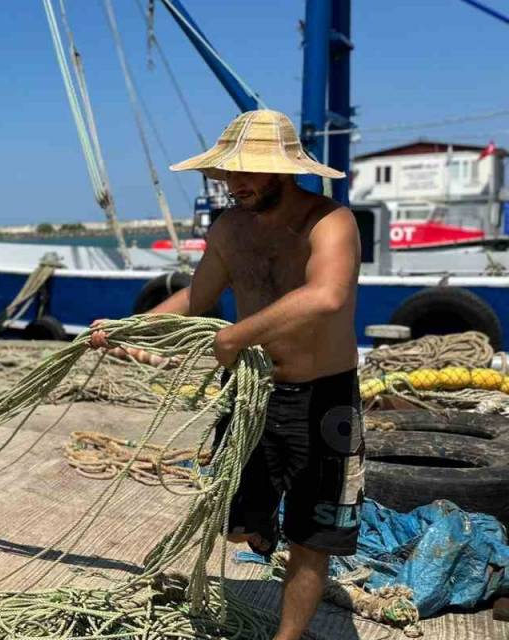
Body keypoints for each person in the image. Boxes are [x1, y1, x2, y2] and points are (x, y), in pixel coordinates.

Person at [90, 110, 363, 640]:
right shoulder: (229, 228)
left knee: (313, 537)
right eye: (228, 173)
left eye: (248, 172)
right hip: (251, 393)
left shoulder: (331, 222)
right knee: (236, 525)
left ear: (285, 170)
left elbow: (327, 296)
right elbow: (196, 298)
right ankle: (262, 530)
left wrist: (237, 336)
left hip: (323, 399)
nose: (233, 184)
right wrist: (130, 330)